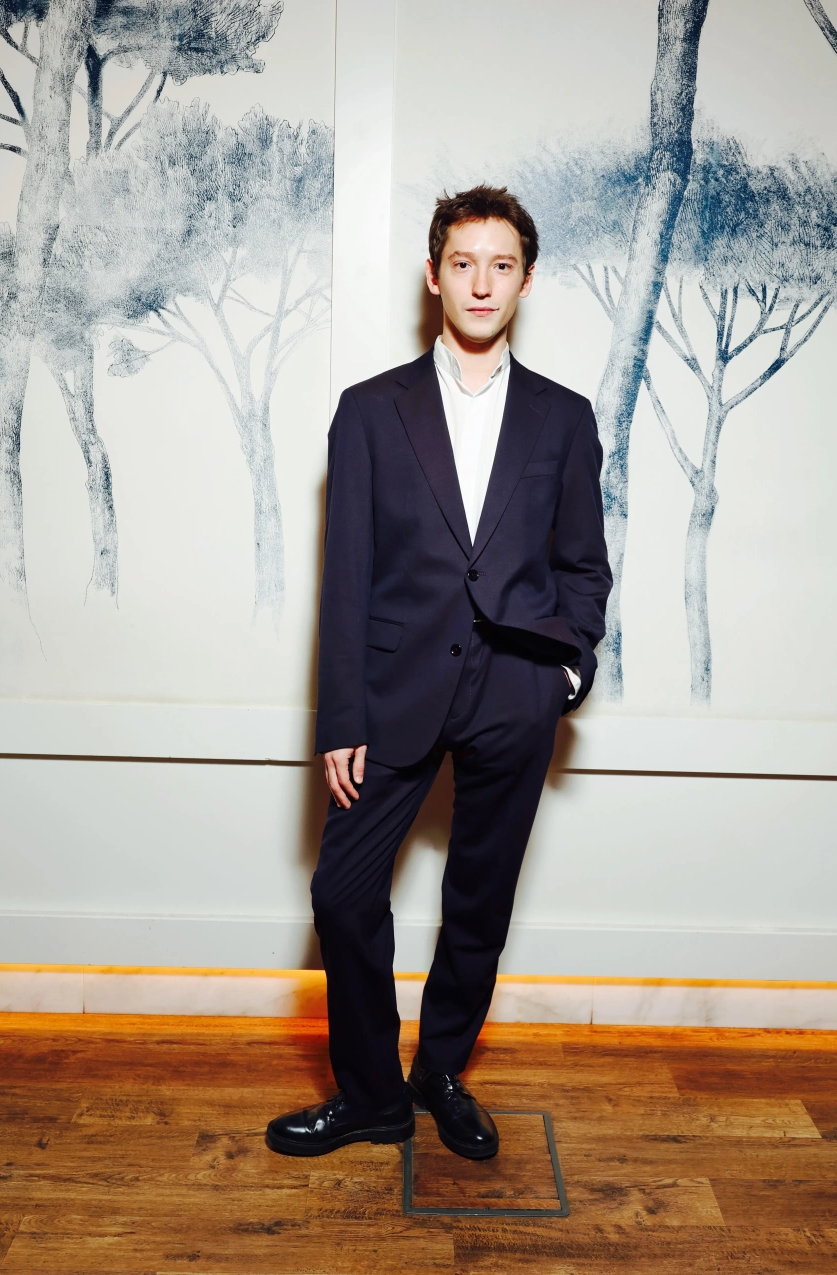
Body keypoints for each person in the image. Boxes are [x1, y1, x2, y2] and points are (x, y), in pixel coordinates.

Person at [267, 186, 611, 1160]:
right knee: (343, 895)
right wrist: (341, 715)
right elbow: (345, 573)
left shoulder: (563, 418)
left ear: (526, 281)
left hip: (516, 690)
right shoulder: (370, 411)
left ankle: (442, 1071)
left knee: (479, 901)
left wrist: (563, 676)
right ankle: (373, 1094)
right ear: (433, 275)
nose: (481, 283)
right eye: (464, 264)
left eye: (501, 265)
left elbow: (584, 567)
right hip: (392, 689)